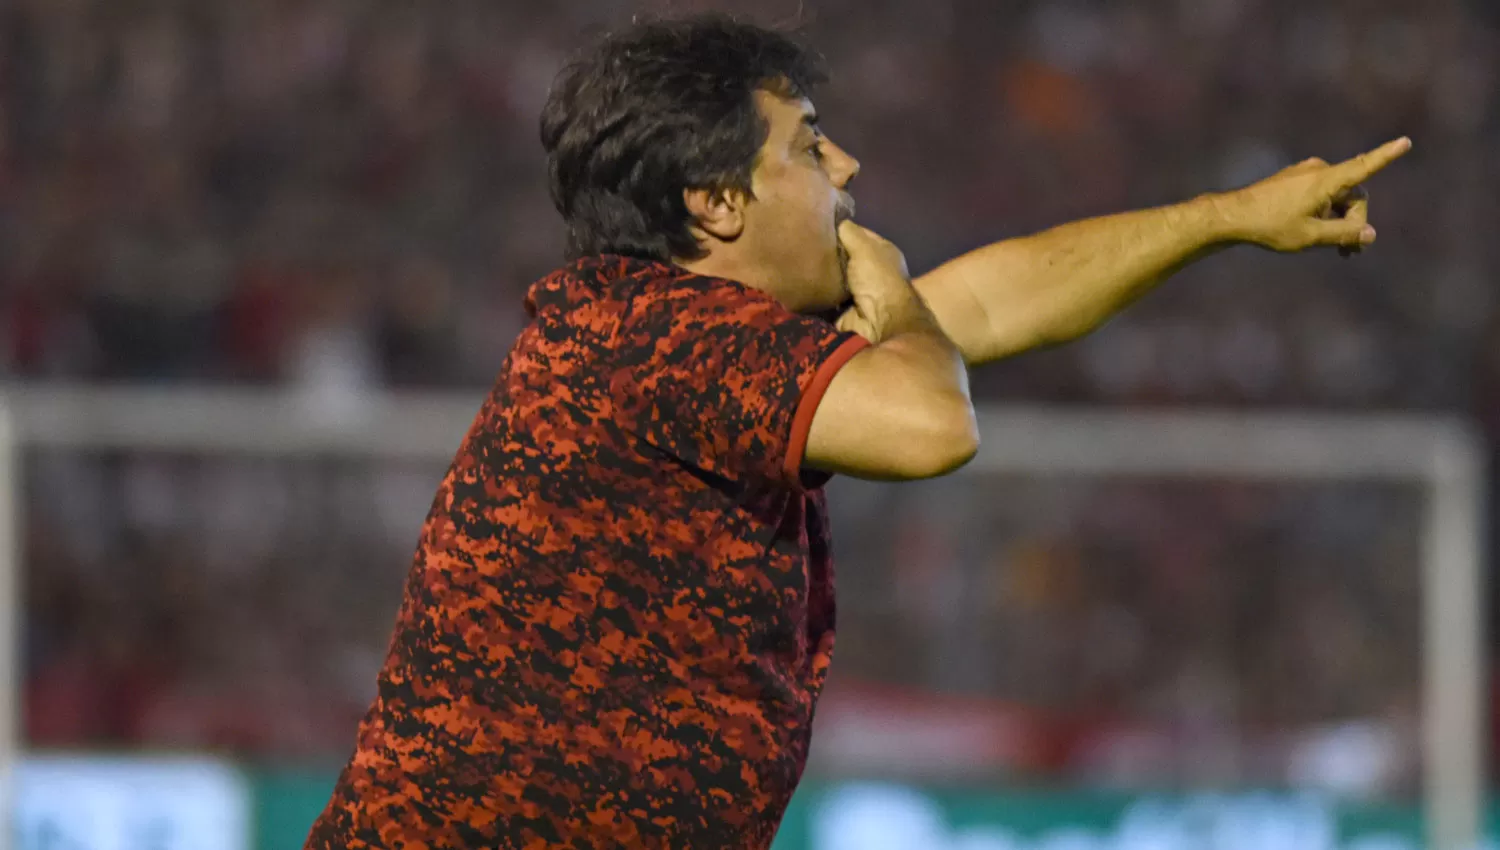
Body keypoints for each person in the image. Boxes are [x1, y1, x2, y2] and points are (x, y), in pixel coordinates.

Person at [304, 14, 1410, 850]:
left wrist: (1226, 218)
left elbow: (977, 310)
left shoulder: (665, 329)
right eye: (810, 148)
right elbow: (932, 420)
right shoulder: (656, 337)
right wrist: (897, 296)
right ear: (716, 203)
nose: (847, 174)